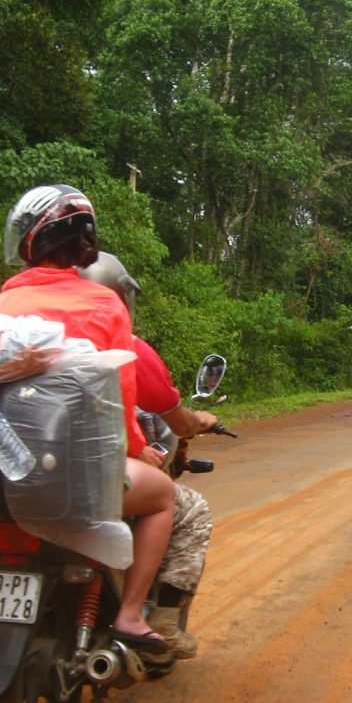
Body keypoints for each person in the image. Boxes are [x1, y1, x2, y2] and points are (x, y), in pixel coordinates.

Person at [0, 184, 177, 652]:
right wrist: (136, 449)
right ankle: (129, 615)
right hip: (78, 471)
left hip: (5, 468)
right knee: (165, 497)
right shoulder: (104, 304)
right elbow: (121, 393)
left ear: (28, 243)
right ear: (84, 244)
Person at [79, 251, 219, 660]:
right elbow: (176, 419)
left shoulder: (31, 337)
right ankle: (147, 620)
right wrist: (200, 421)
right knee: (188, 510)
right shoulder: (127, 346)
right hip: (97, 472)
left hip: (21, 474)